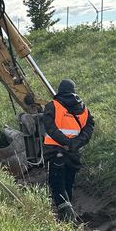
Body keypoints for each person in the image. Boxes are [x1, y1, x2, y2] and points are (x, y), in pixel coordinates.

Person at [42, 79, 95, 222]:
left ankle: (67, 217)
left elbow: (50, 128)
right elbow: (89, 129)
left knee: (56, 184)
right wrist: (75, 144)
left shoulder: (52, 106)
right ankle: (69, 216)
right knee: (68, 183)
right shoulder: (84, 109)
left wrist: (65, 142)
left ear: (60, 90)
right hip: (73, 154)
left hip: (56, 152)